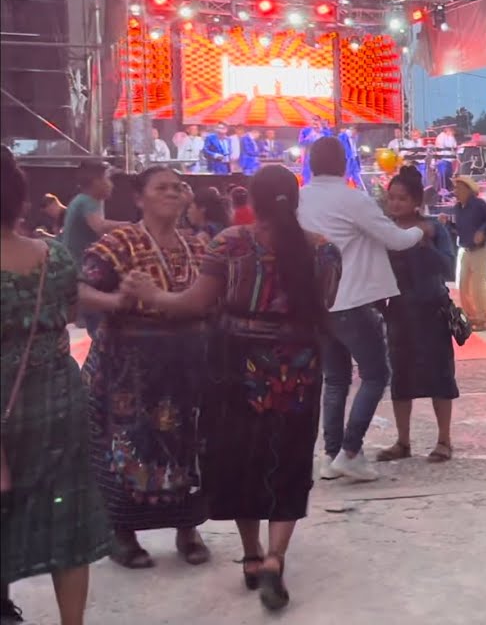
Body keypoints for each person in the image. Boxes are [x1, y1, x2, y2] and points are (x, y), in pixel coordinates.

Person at [122, 165, 341, 611]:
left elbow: (193, 303)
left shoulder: (231, 243)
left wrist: (152, 294)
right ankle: (276, 558)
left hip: (236, 366)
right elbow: (326, 304)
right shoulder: (324, 250)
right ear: (295, 200)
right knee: (290, 459)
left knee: (243, 458)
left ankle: (252, 554)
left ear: (252, 202)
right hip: (299, 368)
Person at [78, 166, 210, 570]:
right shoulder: (118, 244)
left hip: (185, 365)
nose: (171, 193)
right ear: (139, 198)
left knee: (188, 445)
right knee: (127, 444)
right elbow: (78, 288)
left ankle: (188, 529)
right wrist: (115, 301)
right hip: (128, 368)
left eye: (177, 187)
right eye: (161, 187)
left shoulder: (197, 246)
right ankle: (122, 534)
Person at [0, 148, 111, 625]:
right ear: (19, 200)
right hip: (57, 400)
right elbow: (68, 314)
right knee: (66, 514)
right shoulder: (56, 257)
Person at [298, 137, 424, 482]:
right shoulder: (353, 199)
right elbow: (397, 240)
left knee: (335, 380)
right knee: (376, 375)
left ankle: (330, 455)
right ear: (344, 163)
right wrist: (421, 229)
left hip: (320, 303)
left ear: (310, 164)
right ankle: (351, 451)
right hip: (353, 300)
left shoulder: (302, 198)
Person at [374, 166, 459, 465]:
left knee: (440, 376)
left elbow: (448, 267)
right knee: (401, 378)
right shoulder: (385, 231)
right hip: (398, 312)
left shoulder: (434, 229)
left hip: (432, 311)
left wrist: (424, 246)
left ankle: (444, 440)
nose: (395, 203)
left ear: (416, 202)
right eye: (391, 198)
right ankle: (403, 441)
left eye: (402, 198)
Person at [452, 174, 486, 331]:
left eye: (458, 188)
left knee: (477, 287)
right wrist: (448, 223)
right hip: (464, 250)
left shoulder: (479, 204)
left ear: (467, 190)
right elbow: (459, 229)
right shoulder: (458, 208)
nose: (455, 191)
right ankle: (471, 317)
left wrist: (482, 231)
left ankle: (483, 319)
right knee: (462, 286)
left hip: (479, 251)